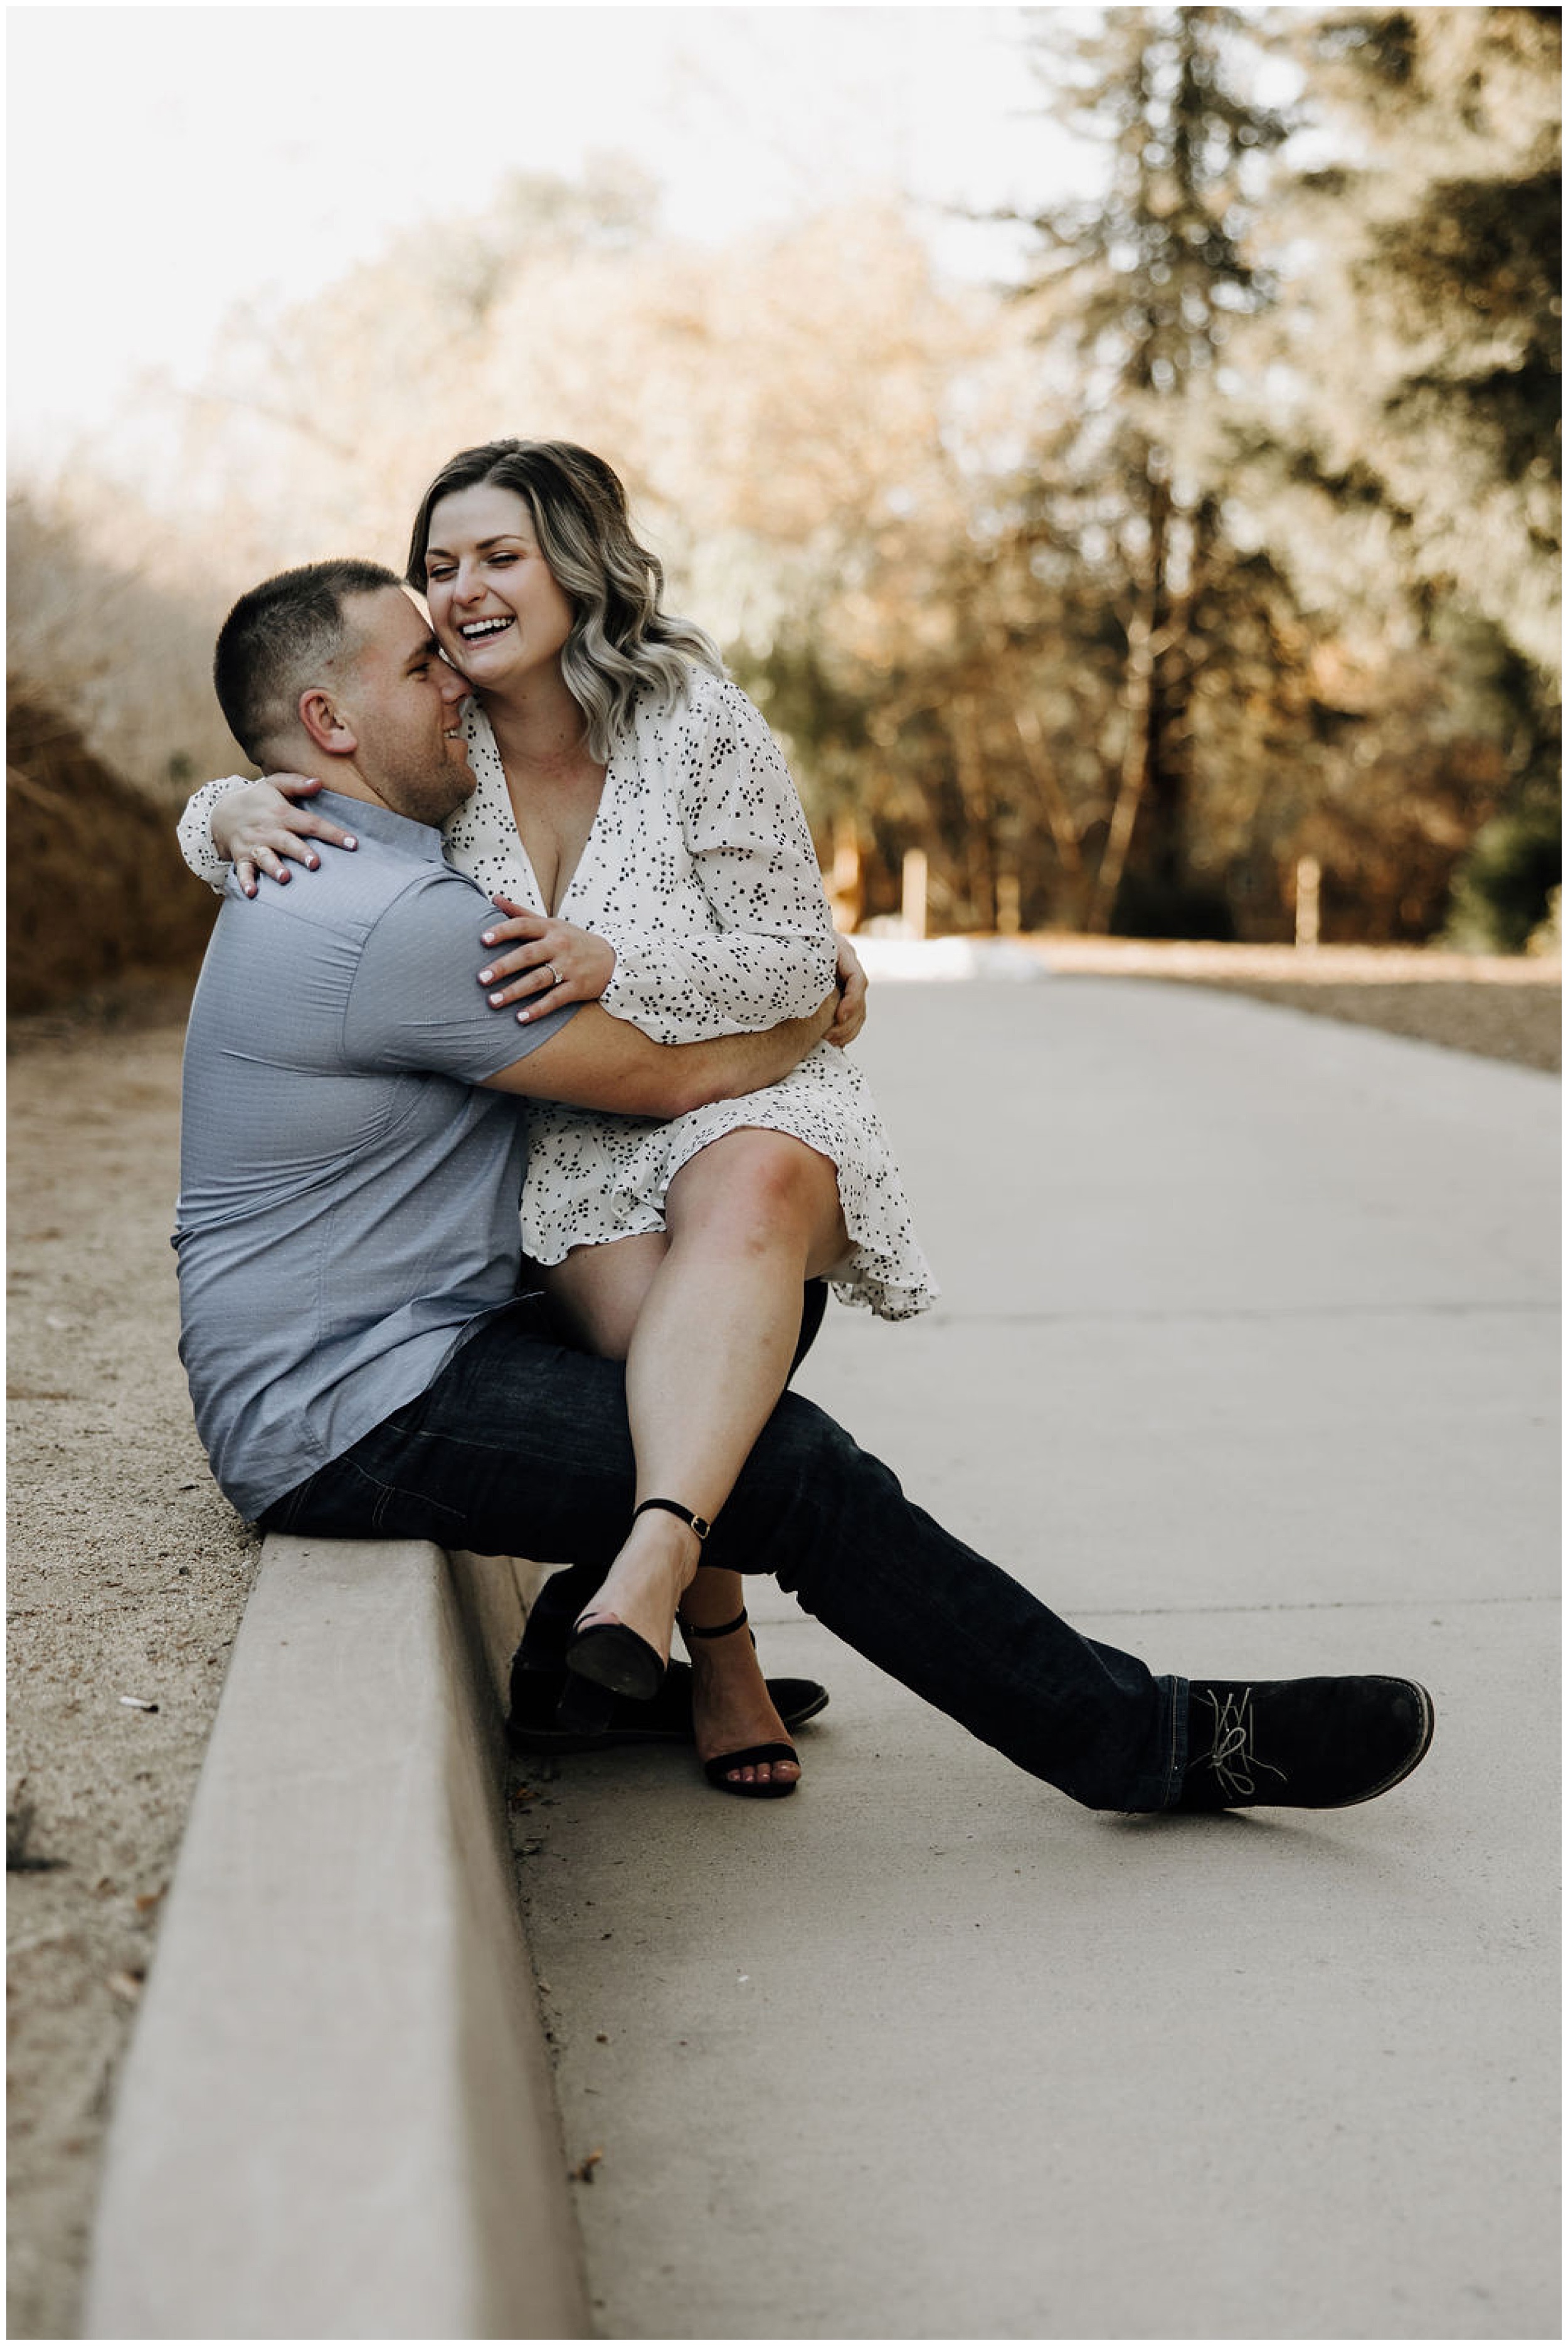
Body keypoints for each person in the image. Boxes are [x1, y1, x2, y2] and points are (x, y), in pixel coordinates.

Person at [174, 557, 1436, 1826]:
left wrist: (222, 803)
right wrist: (803, 1023)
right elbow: (665, 1081)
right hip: (342, 1409)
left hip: (394, 1339)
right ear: (330, 725)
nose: (455, 676)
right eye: (419, 663)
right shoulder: (385, 915)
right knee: (790, 1468)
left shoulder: (324, 859)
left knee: (722, 1298)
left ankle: (579, 1647)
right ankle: (1139, 1741)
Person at [177, 440, 936, 1799]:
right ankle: (674, 1631)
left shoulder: (695, 717)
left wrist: (629, 963)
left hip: (738, 1094)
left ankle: (694, 1633)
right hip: (576, 1145)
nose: (460, 592)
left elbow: (789, 945)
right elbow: (301, 773)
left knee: (750, 1215)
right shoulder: (438, 735)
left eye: (498, 555)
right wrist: (222, 807)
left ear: (575, 567)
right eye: (439, 566)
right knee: (672, 1351)